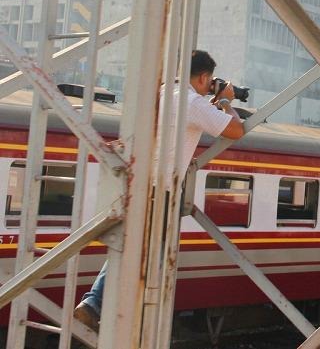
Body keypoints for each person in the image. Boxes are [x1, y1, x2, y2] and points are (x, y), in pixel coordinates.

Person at [73, 50, 245, 332]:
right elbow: (236, 130)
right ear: (204, 77)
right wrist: (225, 100)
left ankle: (96, 303)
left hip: (133, 181)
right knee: (148, 251)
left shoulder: (162, 93)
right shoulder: (192, 103)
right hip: (159, 191)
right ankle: (111, 308)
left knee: (129, 245)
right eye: (209, 80)